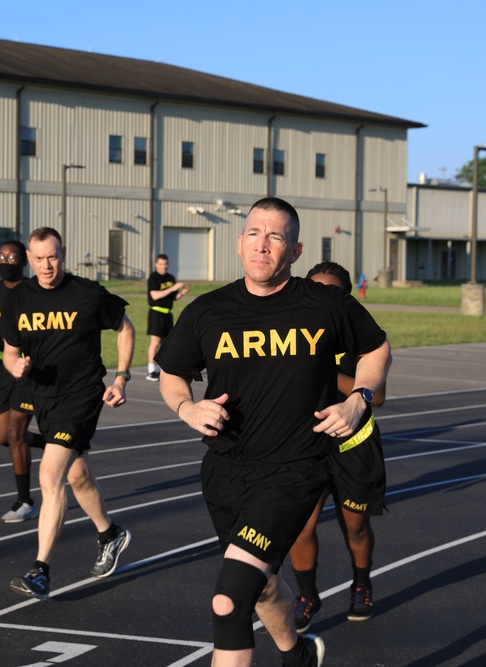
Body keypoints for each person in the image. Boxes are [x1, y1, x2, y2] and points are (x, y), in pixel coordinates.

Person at [155, 197, 391, 667]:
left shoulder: (325, 303)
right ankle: (297, 653)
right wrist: (187, 407)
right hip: (224, 471)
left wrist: (357, 400)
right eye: (255, 234)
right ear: (239, 244)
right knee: (260, 585)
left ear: (296, 250)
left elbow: (377, 349)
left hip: (295, 469)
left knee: (229, 599)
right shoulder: (207, 311)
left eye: (276, 236)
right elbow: (172, 373)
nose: (263, 245)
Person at [0, 226, 135, 600]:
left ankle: (40, 569)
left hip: (82, 394)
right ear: (29, 258)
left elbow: (124, 328)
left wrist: (121, 378)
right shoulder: (17, 300)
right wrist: (15, 368)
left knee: (50, 474)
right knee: (78, 474)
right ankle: (110, 534)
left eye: (53, 257)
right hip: (44, 397)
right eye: (39, 258)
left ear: (64, 253)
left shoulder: (86, 293)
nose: (46, 265)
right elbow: (10, 350)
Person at [288, 261, 388, 632]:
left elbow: (376, 395)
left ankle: (361, 584)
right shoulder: (291, 334)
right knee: (300, 527)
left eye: (330, 291)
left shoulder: (360, 337)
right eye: (313, 290)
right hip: (306, 448)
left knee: (356, 528)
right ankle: (307, 595)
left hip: (354, 448)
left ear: (344, 298)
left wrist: (324, 372)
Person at [0, 241, 44, 523]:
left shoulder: (32, 292)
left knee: (16, 433)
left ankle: (25, 502)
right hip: (4, 369)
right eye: (1, 257)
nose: (6, 261)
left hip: (28, 370)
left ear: (24, 261)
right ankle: (50, 442)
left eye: (12, 257)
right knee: (3, 437)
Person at [145, 254, 189, 381]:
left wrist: (180, 293)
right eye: (161, 264)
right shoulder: (154, 277)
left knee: (166, 343)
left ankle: (161, 369)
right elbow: (155, 296)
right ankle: (151, 370)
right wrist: (173, 288)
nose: (164, 266)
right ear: (156, 264)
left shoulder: (170, 277)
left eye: (166, 264)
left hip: (168, 313)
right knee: (155, 341)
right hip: (156, 312)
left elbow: (174, 297)